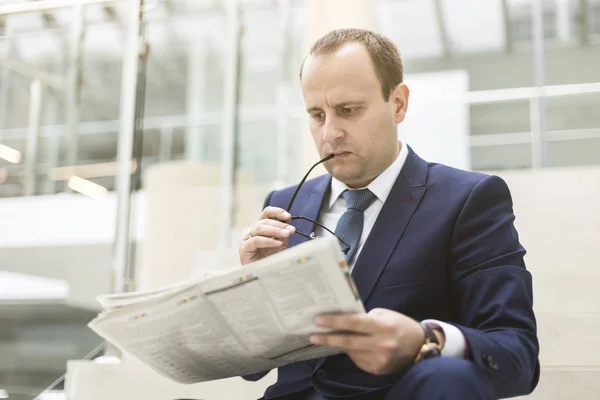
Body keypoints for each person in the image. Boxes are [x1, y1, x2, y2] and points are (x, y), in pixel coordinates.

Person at [238, 28, 539, 400]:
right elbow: (252, 370)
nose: (329, 133)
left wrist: (426, 339)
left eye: (348, 110)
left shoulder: (469, 200)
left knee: (448, 378)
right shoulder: (284, 205)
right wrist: (253, 288)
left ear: (398, 104)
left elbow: (517, 357)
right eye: (317, 115)